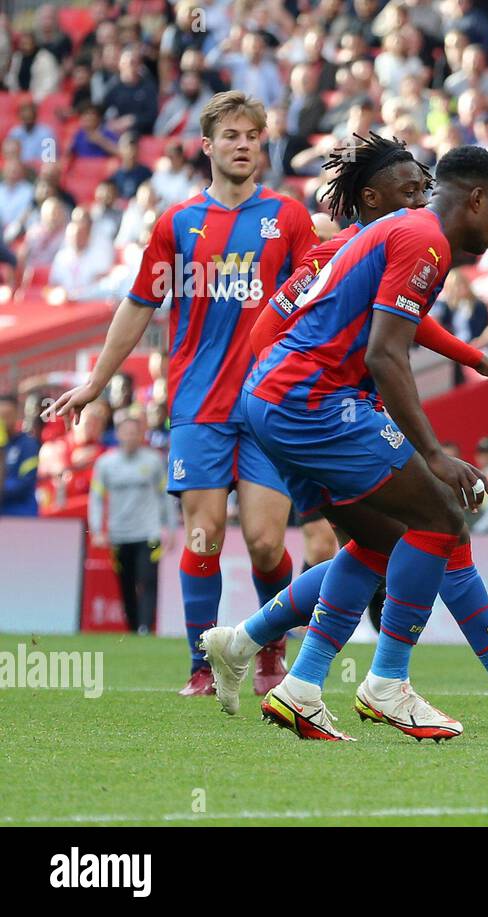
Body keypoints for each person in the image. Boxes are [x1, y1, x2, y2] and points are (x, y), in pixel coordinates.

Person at [204, 141, 488, 730]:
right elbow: (385, 351)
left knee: (382, 544)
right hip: (315, 403)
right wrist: (433, 452)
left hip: (282, 401)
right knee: (443, 517)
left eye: (421, 187)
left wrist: (475, 359)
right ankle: (393, 681)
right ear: (475, 199)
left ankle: (290, 676)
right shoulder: (419, 239)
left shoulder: (377, 239)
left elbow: (387, 327)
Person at [46, 92, 318, 698]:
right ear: (207, 146)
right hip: (198, 403)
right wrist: (94, 384)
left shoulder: (290, 218)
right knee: (203, 536)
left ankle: (271, 644)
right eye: (231, 136)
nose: (243, 144)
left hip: (269, 401)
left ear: (263, 144)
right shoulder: (176, 223)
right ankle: (204, 664)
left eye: (252, 135)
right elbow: (139, 305)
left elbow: (318, 302)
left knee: (268, 540)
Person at [88, 415, 174, 635]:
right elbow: (96, 498)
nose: (130, 437)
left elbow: (165, 496)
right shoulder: (105, 463)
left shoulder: (153, 461)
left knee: (147, 579)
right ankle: (134, 626)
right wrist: (96, 530)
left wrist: (170, 528)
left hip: (149, 532)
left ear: (141, 435)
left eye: (134, 432)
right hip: (119, 534)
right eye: (126, 432)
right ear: (118, 435)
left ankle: (145, 627)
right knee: (126, 583)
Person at [0, 394, 39, 516]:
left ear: (17, 415)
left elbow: (25, 482)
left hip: (21, 511)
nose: (3, 420)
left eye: (8, 415)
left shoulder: (28, 444)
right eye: (1, 415)